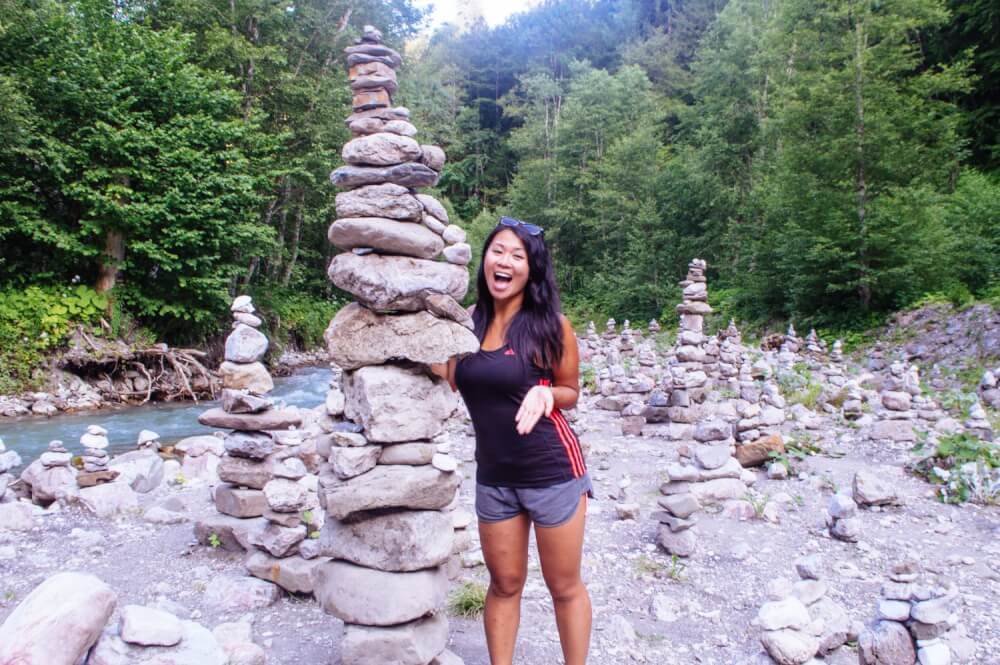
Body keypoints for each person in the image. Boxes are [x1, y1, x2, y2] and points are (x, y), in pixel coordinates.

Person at [433, 216, 592, 665]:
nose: (504, 262)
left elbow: (571, 392)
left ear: (531, 269)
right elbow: (444, 373)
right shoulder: (465, 324)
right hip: (495, 478)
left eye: (517, 256)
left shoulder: (550, 325)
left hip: (554, 474)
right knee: (504, 585)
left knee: (564, 587)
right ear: (485, 260)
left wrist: (547, 392)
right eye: (497, 251)